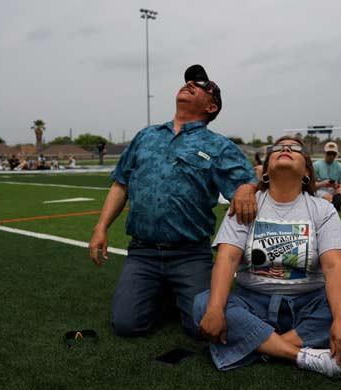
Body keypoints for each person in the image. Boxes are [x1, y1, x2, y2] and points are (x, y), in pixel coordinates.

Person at [88, 64, 258, 338]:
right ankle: (166, 294)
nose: (190, 83)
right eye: (189, 81)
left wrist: (247, 187)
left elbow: (248, 183)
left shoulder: (219, 145)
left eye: (201, 86)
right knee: (127, 326)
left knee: (201, 330)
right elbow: (121, 183)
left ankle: (174, 293)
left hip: (189, 254)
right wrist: (101, 227)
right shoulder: (146, 136)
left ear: (211, 107)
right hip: (142, 253)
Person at [193, 136, 341, 378]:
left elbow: (333, 266)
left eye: (295, 149)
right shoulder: (246, 203)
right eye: (277, 148)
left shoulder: (323, 209)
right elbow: (227, 259)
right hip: (253, 302)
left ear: (308, 171)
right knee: (204, 303)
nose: (286, 149)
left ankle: (262, 345)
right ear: (266, 169)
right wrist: (215, 309)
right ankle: (302, 355)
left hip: (308, 302)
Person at [314, 142, 341, 212]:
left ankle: (339, 202)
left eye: (333, 154)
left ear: (336, 154)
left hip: (334, 190)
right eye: (329, 153)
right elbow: (311, 185)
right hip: (320, 190)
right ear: (325, 153)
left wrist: (337, 185)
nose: (331, 156)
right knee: (325, 195)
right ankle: (338, 203)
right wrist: (323, 183)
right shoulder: (315, 165)